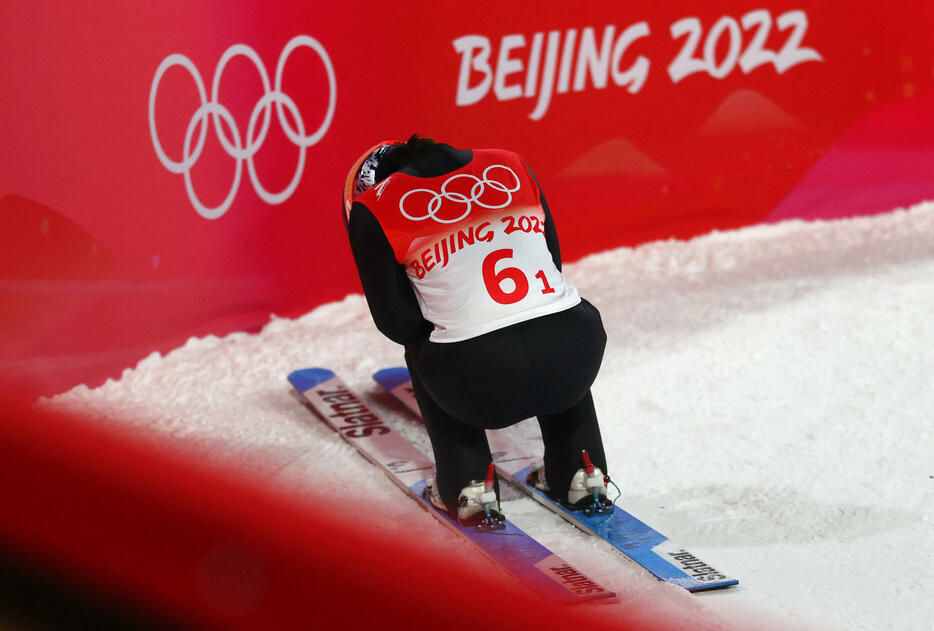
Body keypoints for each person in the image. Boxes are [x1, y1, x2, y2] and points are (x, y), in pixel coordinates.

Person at [343, 135, 610, 526]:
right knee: (551, 308)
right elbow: (552, 261)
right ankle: (581, 472)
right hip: (577, 353)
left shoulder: (375, 206)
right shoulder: (511, 164)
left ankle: (467, 484)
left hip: (475, 377)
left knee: (427, 341)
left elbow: (396, 323)